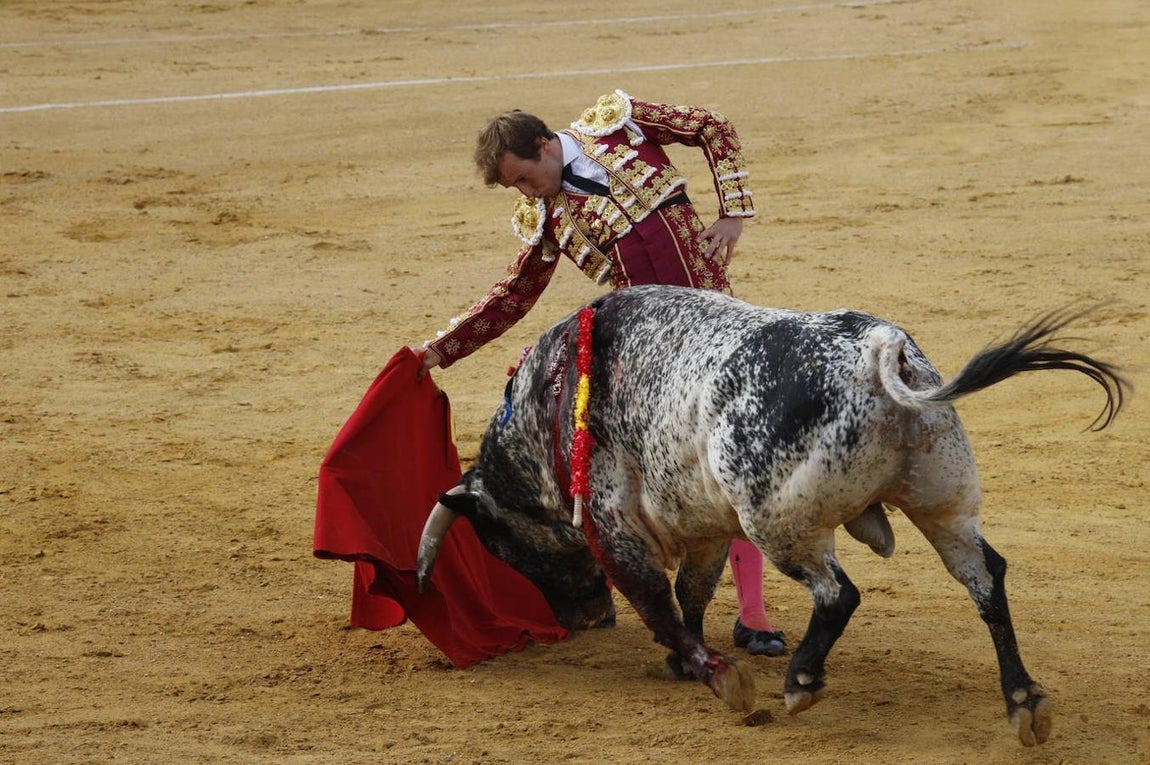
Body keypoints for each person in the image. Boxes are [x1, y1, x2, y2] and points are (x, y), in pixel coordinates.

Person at [416, 89, 786, 657]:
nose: (525, 191)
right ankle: (600, 584)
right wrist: (439, 351)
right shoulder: (545, 217)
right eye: (515, 186)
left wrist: (733, 213)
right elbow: (515, 295)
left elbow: (712, 127)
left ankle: (753, 614)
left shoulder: (618, 124)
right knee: (616, 460)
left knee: (735, 461)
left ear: (545, 145)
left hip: (716, 324)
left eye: (524, 177)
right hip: (649, 354)